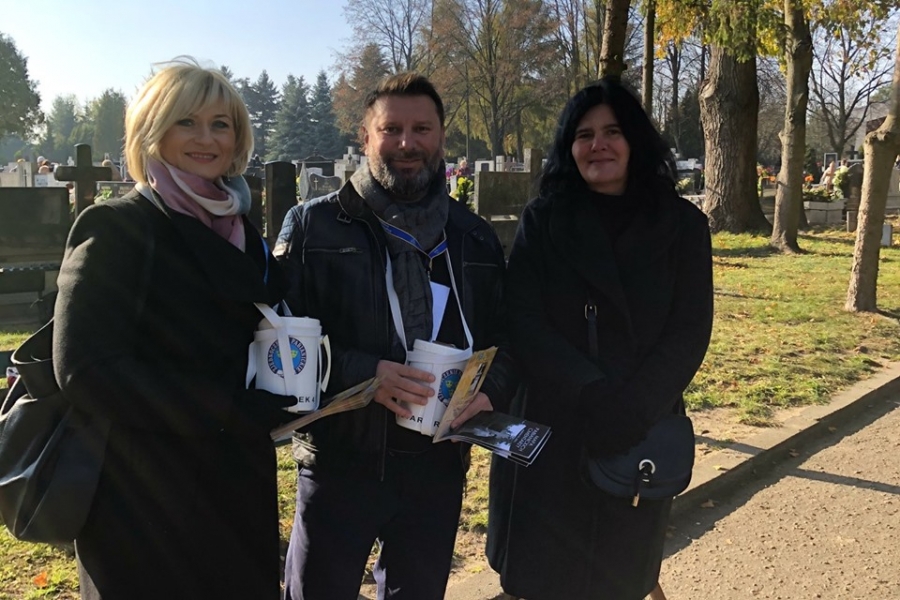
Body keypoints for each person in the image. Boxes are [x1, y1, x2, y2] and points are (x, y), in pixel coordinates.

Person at [54, 58, 297, 600]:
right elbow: (84, 369)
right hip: (144, 501)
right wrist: (226, 408)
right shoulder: (118, 227)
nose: (205, 138)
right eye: (186, 121)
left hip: (237, 489)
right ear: (153, 130)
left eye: (220, 124)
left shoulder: (243, 235)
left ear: (237, 139)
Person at [275, 72, 516, 600]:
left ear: (441, 136)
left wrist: (492, 391)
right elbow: (278, 348)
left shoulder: (473, 237)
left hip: (437, 466)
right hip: (340, 461)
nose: (408, 143)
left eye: (421, 129)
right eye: (392, 129)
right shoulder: (313, 227)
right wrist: (366, 375)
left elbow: (507, 336)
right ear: (365, 137)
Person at [486, 77, 714, 600]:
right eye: (584, 135)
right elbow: (524, 318)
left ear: (635, 141)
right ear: (569, 148)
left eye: (612, 132)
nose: (598, 145)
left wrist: (632, 408)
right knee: (544, 578)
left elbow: (689, 329)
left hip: (638, 427)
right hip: (554, 424)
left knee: (619, 575)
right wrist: (590, 393)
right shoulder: (544, 219)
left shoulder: (683, 226)